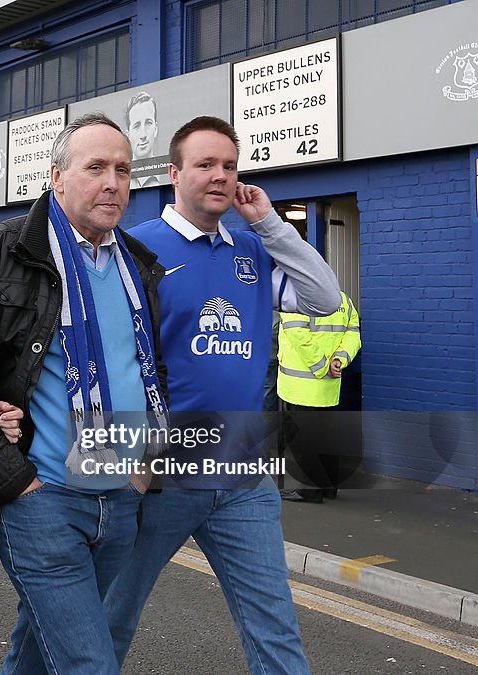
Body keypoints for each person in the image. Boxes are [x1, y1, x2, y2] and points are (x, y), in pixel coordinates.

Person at [0, 112, 170, 674]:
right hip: (42, 497)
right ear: (56, 177)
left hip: (121, 497)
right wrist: (16, 483)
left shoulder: (137, 266)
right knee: (89, 661)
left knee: (39, 652)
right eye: (96, 168)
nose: (113, 183)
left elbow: (145, 367)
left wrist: (144, 468)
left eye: (123, 170)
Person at [104, 116, 341, 674]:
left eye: (229, 166)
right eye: (205, 164)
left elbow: (324, 297)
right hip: (160, 475)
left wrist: (270, 226)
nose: (219, 176)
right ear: (174, 173)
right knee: (111, 618)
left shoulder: (253, 251)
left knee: (275, 629)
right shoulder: (135, 249)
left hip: (242, 476)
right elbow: (112, 356)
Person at [278, 290, 361, 502]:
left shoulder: (294, 298)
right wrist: (339, 360)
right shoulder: (343, 299)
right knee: (326, 436)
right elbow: (353, 332)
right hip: (329, 385)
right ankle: (329, 487)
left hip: (299, 385)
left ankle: (310, 490)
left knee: (302, 440)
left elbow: (298, 335)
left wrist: (322, 367)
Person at [125, 92, 167, 188]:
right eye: (137, 126)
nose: (143, 134)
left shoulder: (169, 175)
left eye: (148, 123)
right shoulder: (119, 180)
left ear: (156, 129)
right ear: (128, 135)